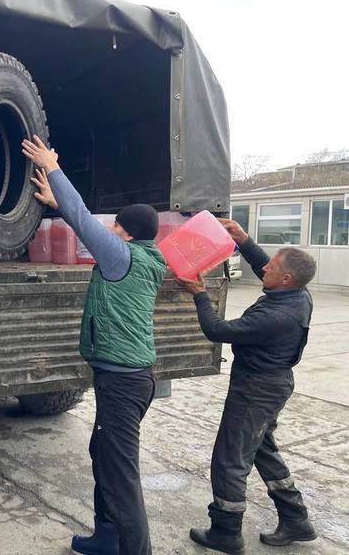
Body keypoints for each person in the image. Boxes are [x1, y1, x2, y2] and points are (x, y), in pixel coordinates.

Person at [22, 135, 166, 555]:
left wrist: (52, 166)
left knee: (121, 475)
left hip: (123, 383)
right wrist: (58, 204)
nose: (111, 231)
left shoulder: (121, 257)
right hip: (128, 378)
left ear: (127, 231)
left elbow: (85, 220)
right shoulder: (145, 256)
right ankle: (107, 538)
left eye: (116, 225)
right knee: (102, 453)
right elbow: (84, 221)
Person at [177, 218, 318, 555]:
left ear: (286, 279)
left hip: (256, 390)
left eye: (273, 265)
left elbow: (217, 330)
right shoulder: (297, 293)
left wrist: (200, 294)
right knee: (261, 449)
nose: (264, 266)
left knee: (230, 459)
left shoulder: (275, 317)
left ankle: (226, 532)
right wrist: (245, 240)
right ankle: (296, 518)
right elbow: (265, 268)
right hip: (271, 384)